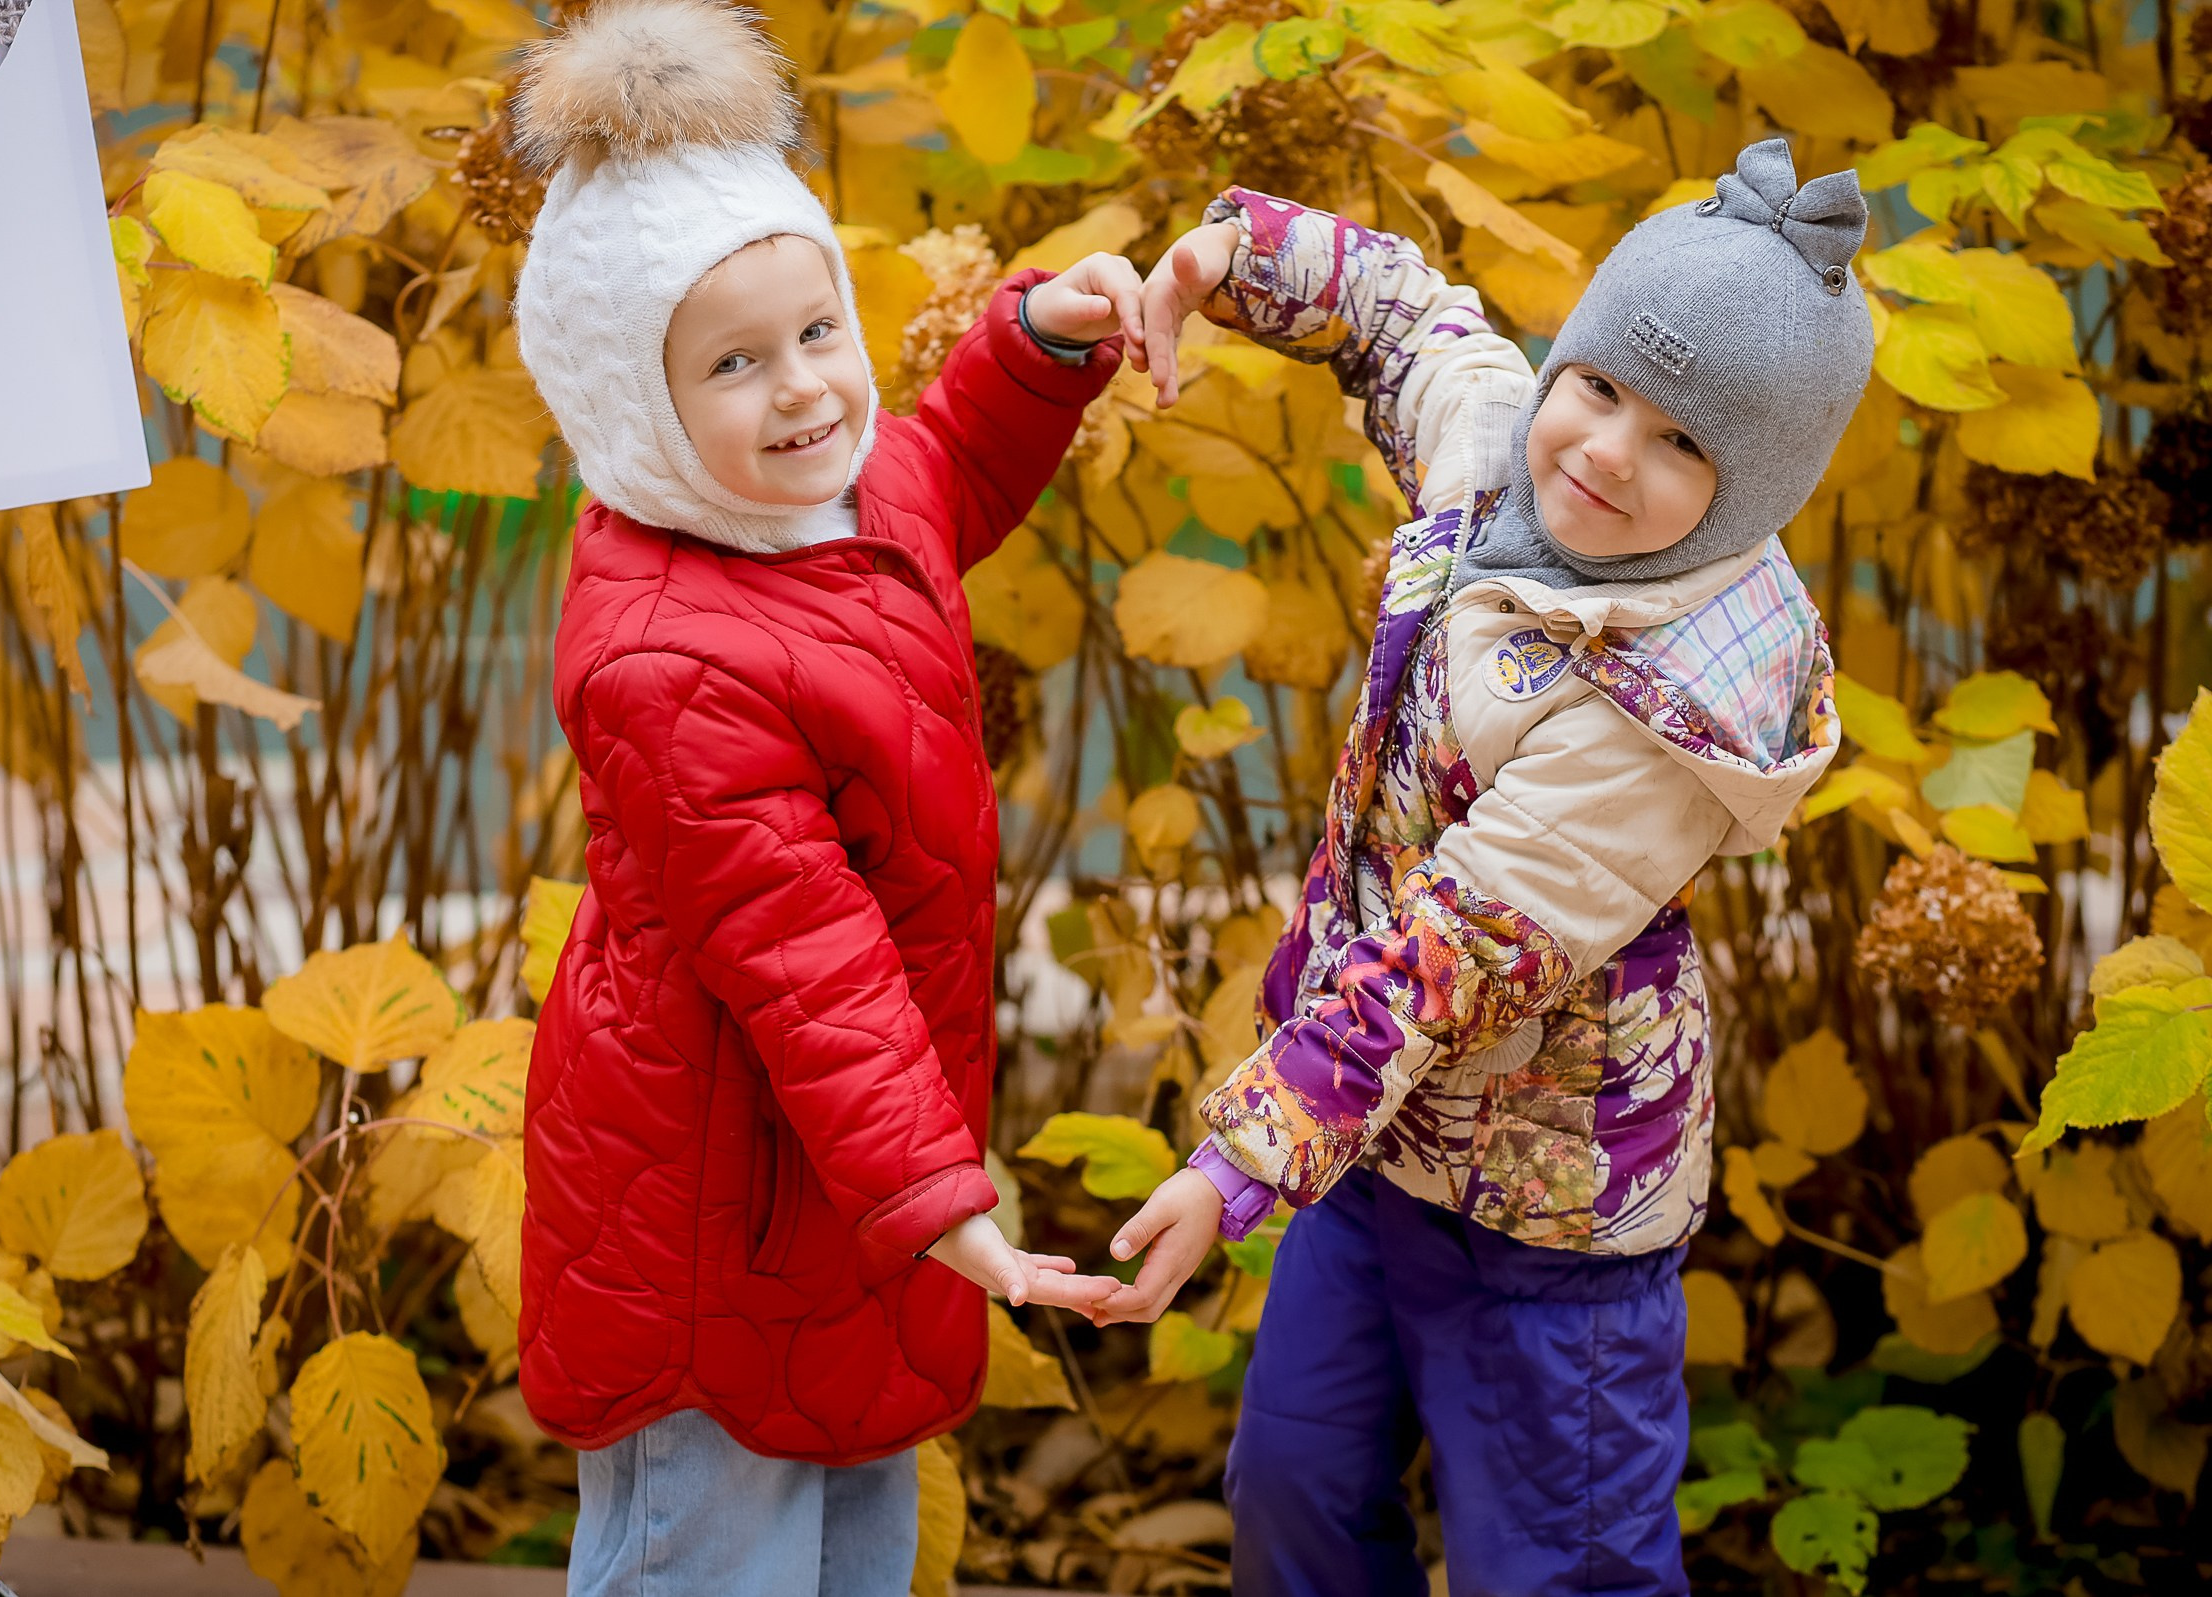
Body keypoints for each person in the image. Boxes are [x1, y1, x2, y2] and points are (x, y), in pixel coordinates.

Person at [1097, 141, 1864, 1596]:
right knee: (1296, 1490)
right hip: (1383, 1151)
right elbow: (1399, 311)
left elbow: (1450, 949)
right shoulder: (1506, 453)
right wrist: (1223, 258)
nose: (1607, 450)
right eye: (1601, 385)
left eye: (1686, 443)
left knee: (1554, 1562)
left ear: (1755, 486)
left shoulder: (1666, 717)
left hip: (1551, 1211)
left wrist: (1233, 1165)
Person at [506, 3, 1143, 1591]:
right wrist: (946, 1198)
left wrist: (1041, 344)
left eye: (817, 334)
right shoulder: (666, 657)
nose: (802, 392)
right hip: (718, 1201)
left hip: (851, 1172)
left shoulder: (829, 502)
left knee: (855, 1514)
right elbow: (804, 957)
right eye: (732, 363)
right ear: (635, 409)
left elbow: (946, 471)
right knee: (712, 1536)